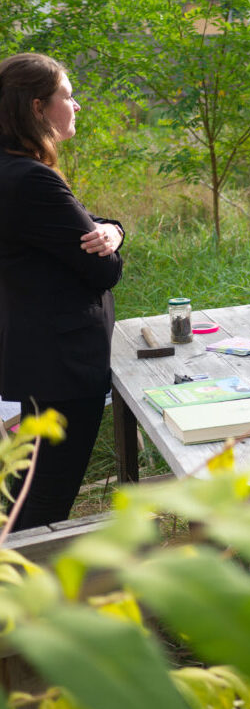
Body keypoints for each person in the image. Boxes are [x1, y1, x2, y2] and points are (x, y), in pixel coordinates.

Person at [0, 52, 124, 530]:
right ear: (37, 107)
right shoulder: (32, 179)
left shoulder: (12, 171)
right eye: (67, 96)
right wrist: (111, 241)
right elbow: (103, 269)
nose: (76, 106)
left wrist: (112, 228)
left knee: (24, 490)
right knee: (43, 503)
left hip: (32, 356)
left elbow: (82, 228)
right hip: (62, 367)